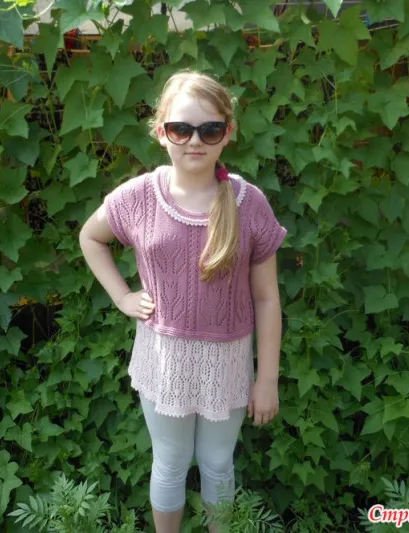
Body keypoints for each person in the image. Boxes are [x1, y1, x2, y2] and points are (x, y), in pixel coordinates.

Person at [79, 70, 287, 533]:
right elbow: (91, 238)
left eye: (210, 129)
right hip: (164, 358)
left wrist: (267, 378)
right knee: (170, 463)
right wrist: (122, 296)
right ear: (161, 132)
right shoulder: (138, 197)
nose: (195, 141)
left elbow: (267, 298)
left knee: (218, 463)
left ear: (228, 133)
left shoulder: (249, 203)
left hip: (227, 361)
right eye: (181, 129)